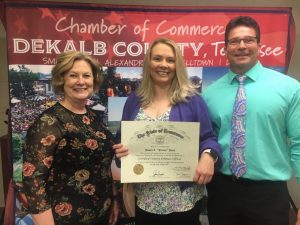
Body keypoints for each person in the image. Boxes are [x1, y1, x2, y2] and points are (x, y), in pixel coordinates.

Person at [113, 37, 222, 225]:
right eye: (157, 58)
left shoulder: (193, 100)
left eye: (170, 60)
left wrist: (208, 155)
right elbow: (121, 140)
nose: (163, 65)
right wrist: (120, 152)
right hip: (146, 197)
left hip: (183, 198)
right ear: (148, 62)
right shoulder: (134, 100)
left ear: (177, 65)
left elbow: (209, 139)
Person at [202, 16, 300, 225]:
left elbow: (299, 143)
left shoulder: (289, 88)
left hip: (269, 194)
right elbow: (207, 140)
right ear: (225, 48)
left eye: (248, 40)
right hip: (222, 192)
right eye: (234, 41)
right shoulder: (210, 94)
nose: (241, 46)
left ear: (259, 45)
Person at [22, 51, 120, 225]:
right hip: (65, 219)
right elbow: (33, 181)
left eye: (86, 76)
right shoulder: (48, 122)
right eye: (73, 75)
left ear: (94, 81)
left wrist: (113, 201)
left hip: (102, 214)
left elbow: (101, 165)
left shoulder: (92, 116)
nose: (81, 81)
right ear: (62, 79)